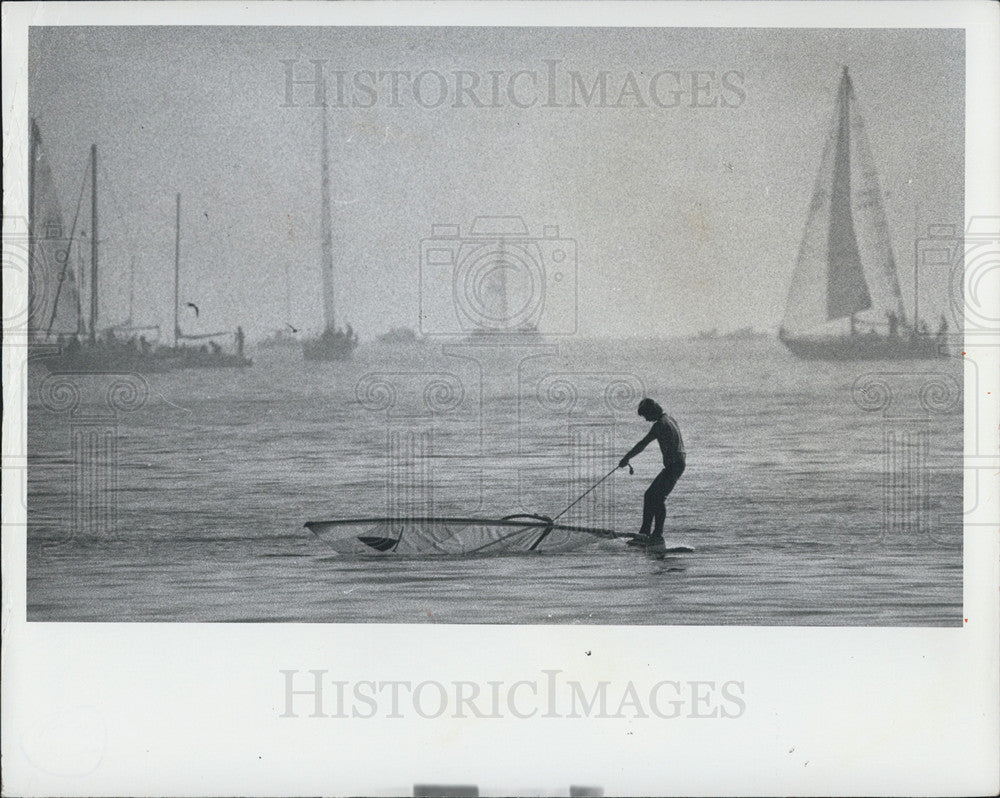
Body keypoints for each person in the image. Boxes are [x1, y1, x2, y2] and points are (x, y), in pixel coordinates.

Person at [618, 398, 686, 547]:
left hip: (674, 466)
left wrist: (627, 458)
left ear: (652, 411)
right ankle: (646, 533)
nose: (646, 420)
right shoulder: (670, 419)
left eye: (646, 416)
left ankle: (655, 535)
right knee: (650, 496)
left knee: (658, 498)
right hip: (677, 464)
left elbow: (643, 444)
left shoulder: (660, 425)